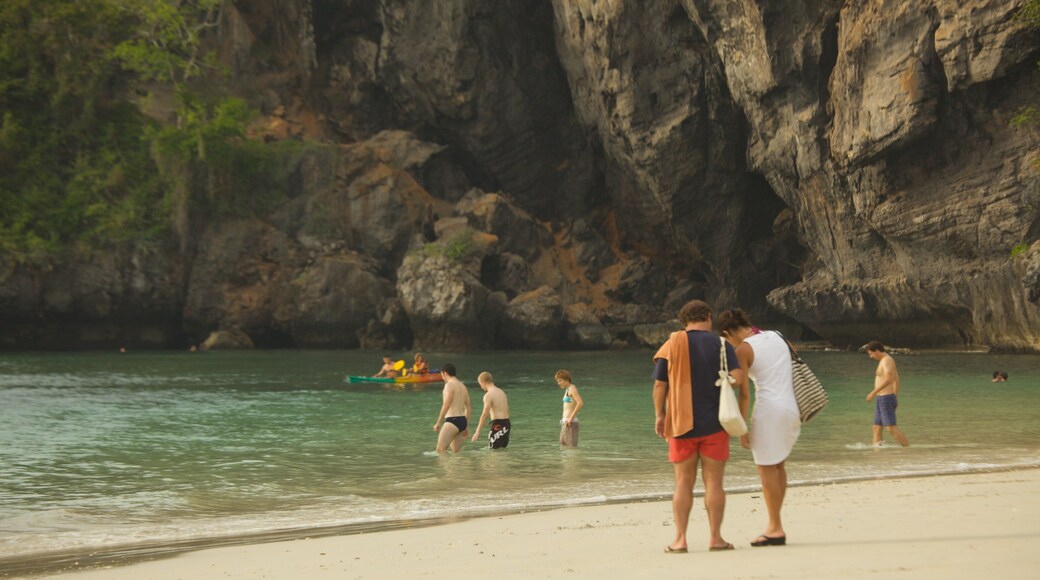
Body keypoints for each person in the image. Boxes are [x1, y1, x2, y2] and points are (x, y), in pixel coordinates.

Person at [652, 300, 745, 553]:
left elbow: (660, 385)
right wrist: (723, 378)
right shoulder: (722, 344)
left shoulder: (671, 344)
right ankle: (716, 538)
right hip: (715, 425)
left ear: (684, 320)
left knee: (683, 483)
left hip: (680, 425)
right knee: (714, 482)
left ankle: (680, 540)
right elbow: (739, 378)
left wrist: (660, 415)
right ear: (708, 316)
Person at [717, 308, 799, 547]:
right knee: (778, 466)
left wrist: (742, 427)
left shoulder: (743, 349)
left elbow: (744, 393)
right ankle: (775, 524)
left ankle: (775, 527)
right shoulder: (777, 335)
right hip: (791, 407)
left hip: (769, 410)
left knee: (766, 470)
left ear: (727, 333)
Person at [865, 341, 910, 447]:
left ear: (877, 350)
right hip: (882, 398)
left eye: (871, 353)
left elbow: (889, 379)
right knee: (876, 427)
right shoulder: (884, 360)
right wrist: (895, 397)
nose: (871, 357)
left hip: (886, 398)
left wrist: (873, 392)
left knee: (890, 428)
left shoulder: (886, 361)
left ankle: (908, 449)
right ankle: (877, 451)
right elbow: (896, 379)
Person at [432, 363, 471, 453]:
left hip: (452, 420)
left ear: (445, 373)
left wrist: (438, 422)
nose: (442, 378)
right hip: (462, 421)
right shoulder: (463, 387)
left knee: (440, 449)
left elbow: (447, 404)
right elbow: (468, 407)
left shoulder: (449, 385)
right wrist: (466, 426)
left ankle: (446, 463)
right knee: (456, 453)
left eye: (442, 375)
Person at [470, 372, 511, 449]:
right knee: (502, 450)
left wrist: (477, 432)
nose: (481, 387)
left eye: (480, 384)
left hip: (498, 425)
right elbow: (506, 409)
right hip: (507, 423)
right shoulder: (501, 392)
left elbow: (484, 415)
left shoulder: (488, 395)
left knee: (493, 451)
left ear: (484, 382)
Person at [556, 370, 584, 447]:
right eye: (558, 381)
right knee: (563, 446)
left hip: (571, 423)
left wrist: (571, 418)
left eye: (560, 381)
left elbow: (580, 403)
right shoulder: (568, 389)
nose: (558, 383)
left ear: (567, 379)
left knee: (571, 448)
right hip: (566, 422)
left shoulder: (572, 389)